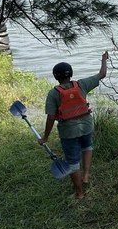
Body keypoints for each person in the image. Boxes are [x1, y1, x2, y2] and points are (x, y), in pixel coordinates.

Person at [39, 52, 108, 199]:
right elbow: (102, 74)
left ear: (56, 76)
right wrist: (104, 59)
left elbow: (51, 117)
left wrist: (45, 137)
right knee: (87, 147)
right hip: (87, 125)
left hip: (69, 132)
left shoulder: (53, 94)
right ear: (71, 74)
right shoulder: (81, 84)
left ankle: (79, 193)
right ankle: (86, 175)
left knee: (72, 162)